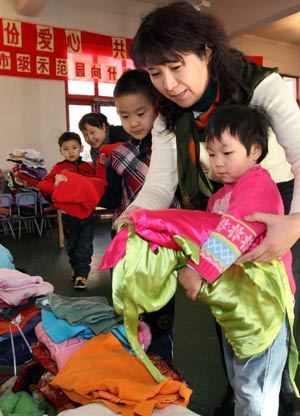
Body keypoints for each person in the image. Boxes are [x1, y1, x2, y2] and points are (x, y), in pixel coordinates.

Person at [125, 2, 300, 415]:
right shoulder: (170, 112)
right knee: (228, 303)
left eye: (176, 66)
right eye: (155, 73)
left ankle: (280, 396)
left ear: (205, 51)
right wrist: (131, 218)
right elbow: (160, 182)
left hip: (274, 202)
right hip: (219, 207)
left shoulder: (260, 85)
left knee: (279, 308)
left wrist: (295, 222)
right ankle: (243, 391)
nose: (167, 83)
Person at [100, 69, 178, 363]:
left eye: (140, 113)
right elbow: (109, 198)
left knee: (160, 315)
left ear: (157, 106)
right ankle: (133, 370)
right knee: (127, 309)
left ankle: (163, 371)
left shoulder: (172, 147)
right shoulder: (117, 154)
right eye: (124, 116)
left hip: (161, 246)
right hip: (124, 240)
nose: (133, 122)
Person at [37, 132, 96, 290]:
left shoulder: (87, 167)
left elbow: (96, 185)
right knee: (72, 246)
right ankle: (76, 270)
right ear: (61, 151)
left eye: (74, 148)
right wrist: (56, 184)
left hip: (87, 215)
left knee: (85, 246)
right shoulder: (58, 168)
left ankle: (82, 275)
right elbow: (43, 185)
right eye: (66, 149)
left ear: (81, 148)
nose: (71, 151)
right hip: (68, 216)